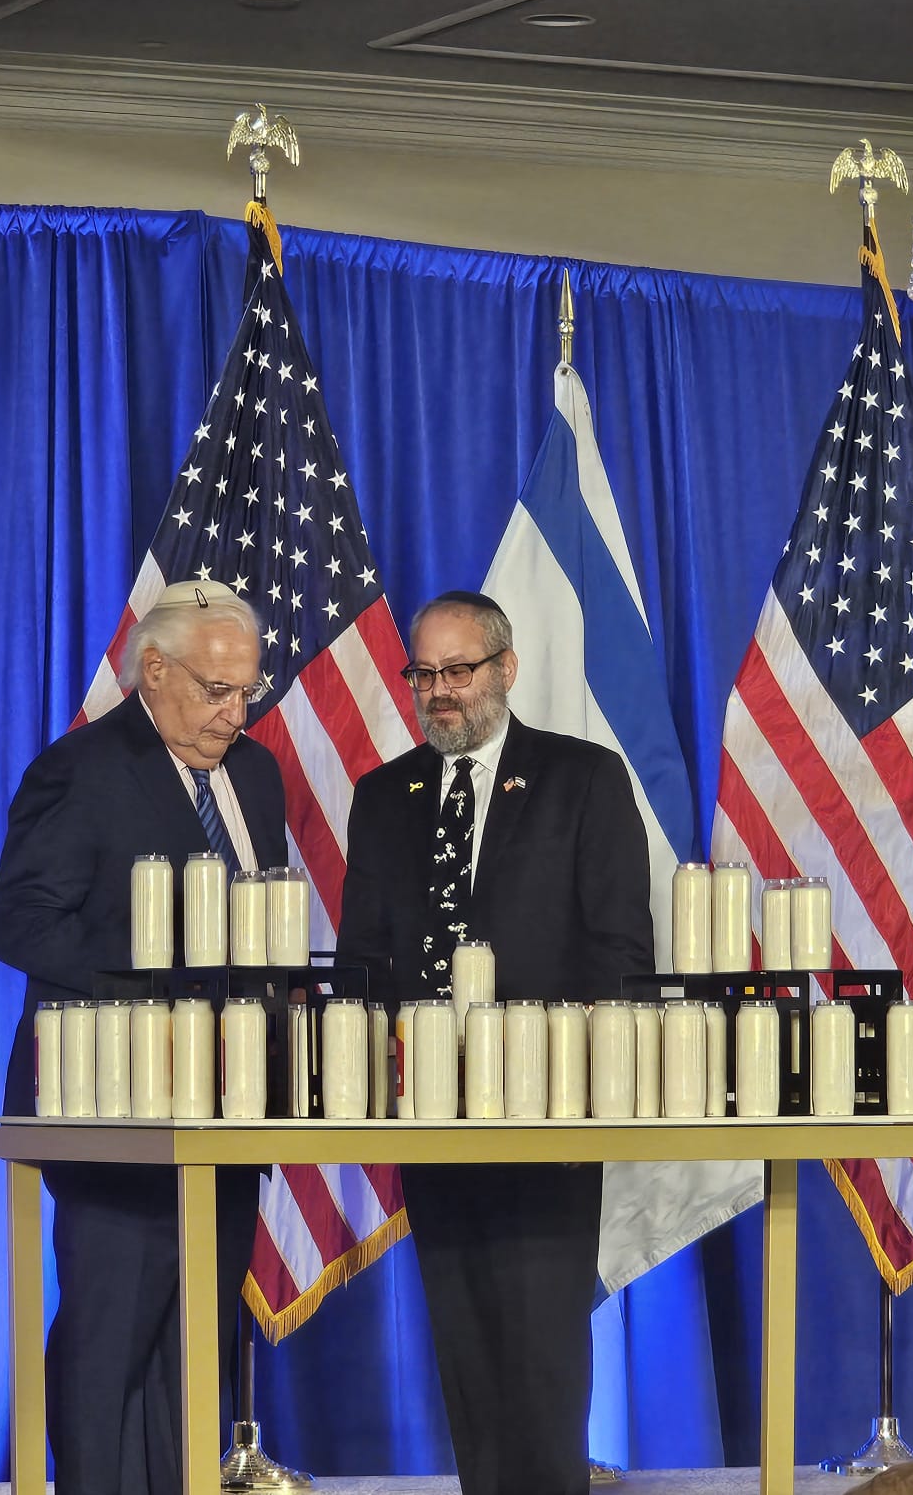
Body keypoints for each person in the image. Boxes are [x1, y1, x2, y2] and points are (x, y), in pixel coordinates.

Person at [338, 590, 652, 1495]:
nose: (439, 691)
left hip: (548, 1113)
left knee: (542, 1347)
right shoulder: (382, 796)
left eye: (458, 671)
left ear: (506, 669)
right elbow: (363, 959)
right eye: (423, 674)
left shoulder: (582, 779)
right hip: (426, 1115)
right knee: (466, 1345)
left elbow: (621, 951)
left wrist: (587, 1083)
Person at [0, 580, 287, 1495]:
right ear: (154, 672)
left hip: (229, 1107)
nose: (236, 713)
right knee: (111, 1338)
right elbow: (18, 925)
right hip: (113, 1103)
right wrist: (161, 980)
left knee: (198, 1344)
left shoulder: (255, 774)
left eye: (247, 691)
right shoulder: (81, 769)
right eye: (216, 691)